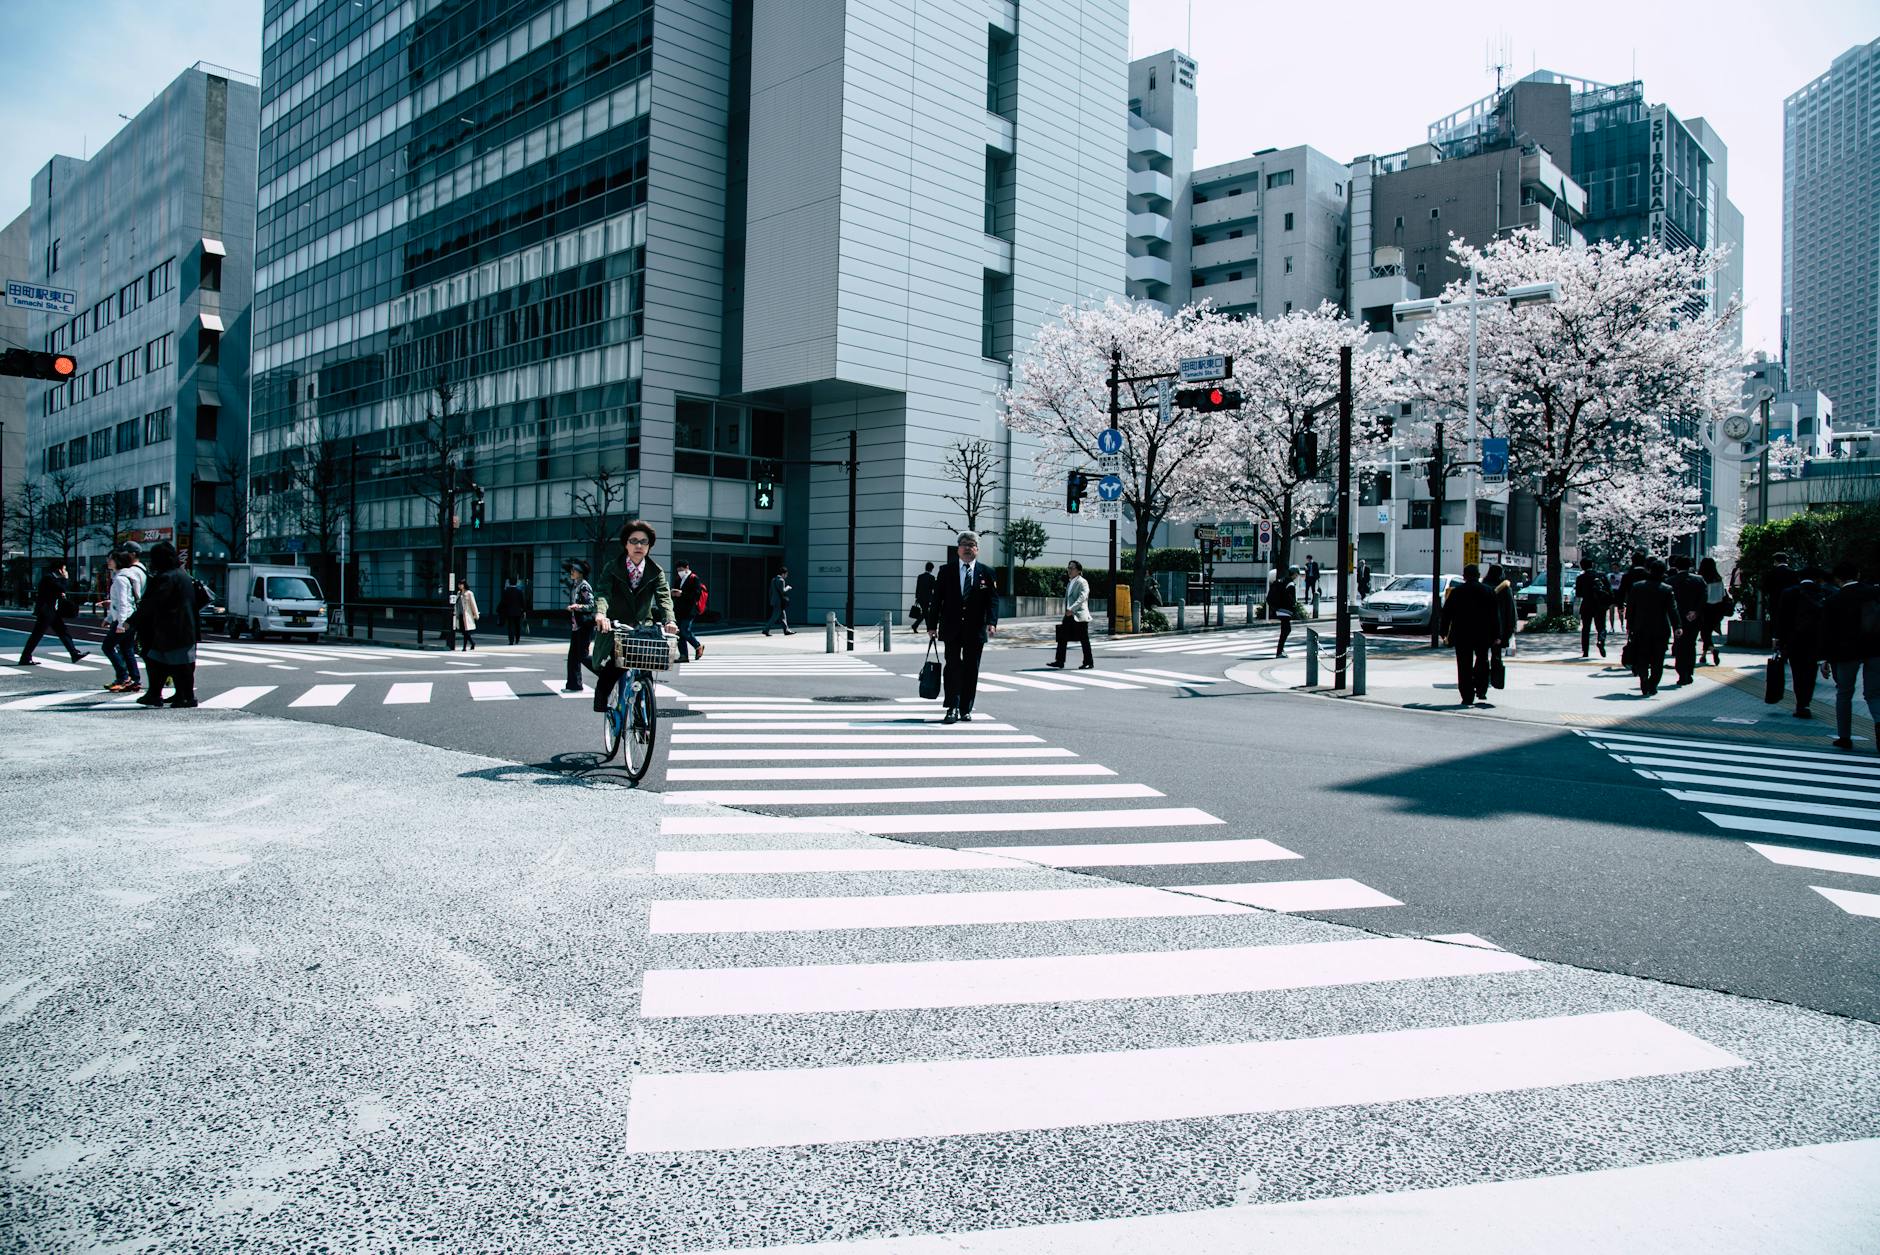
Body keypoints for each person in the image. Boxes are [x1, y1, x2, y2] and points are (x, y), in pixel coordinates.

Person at [589, 519, 678, 714]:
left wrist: (670, 620)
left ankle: (640, 717)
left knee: (646, 668)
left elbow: (664, 598)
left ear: (649, 545)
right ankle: (601, 695)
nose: (639, 545)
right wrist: (601, 615)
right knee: (615, 665)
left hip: (642, 627)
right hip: (615, 625)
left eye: (644, 542)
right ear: (625, 544)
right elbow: (602, 593)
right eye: (634, 540)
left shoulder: (656, 571)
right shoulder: (612, 567)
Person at [929, 531, 999, 723]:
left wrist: (992, 622)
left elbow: (993, 601)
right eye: (964, 544)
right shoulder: (946, 571)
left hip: (975, 629)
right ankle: (951, 707)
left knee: (971, 669)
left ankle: (965, 708)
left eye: (972, 544)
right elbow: (936, 600)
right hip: (951, 627)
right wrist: (931, 625)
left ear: (977, 549)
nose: (968, 548)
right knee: (952, 667)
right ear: (958, 549)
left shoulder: (987, 572)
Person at [126, 541, 205, 708]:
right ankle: (167, 694)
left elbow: (152, 603)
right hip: (183, 628)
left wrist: (131, 621)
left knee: (174, 664)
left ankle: (183, 697)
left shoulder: (166, 577)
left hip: (172, 630)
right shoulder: (183, 574)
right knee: (162, 662)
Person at [1820, 559, 1880, 752]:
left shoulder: (1833, 600)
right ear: (1858, 574)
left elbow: (1827, 633)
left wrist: (1825, 659)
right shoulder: (1874, 593)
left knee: (1844, 693)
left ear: (1838, 579)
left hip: (1845, 653)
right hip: (1875, 650)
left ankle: (1844, 737)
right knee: (1874, 694)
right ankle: (1879, 725)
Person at [1440, 564, 1500, 708]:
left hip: (1462, 634)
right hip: (1483, 633)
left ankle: (1467, 696)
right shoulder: (1488, 591)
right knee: (1482, 660)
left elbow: (1446, 614)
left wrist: (1443, 633)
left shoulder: (1457, 592)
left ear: (1464, 576)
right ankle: (1481, 688)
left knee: (1463, 665)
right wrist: (1497, 635)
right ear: (1478, 575)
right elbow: (1495, 616)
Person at [1776, 566, 1831, 719]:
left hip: (1794, 639)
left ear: (1800, 578)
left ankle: (1800, 704)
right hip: (1815, 639)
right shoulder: (1823, 593)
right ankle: (1806, 703)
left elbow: (1781, 618)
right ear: (1817, 578)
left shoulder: (1789, 592)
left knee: (1797, 672)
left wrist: (1778, 638)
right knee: (1810, 672)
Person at [16, 559, 89, 667]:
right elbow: (61, 588)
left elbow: (57, 591)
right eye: (64, 569)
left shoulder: (52, 578)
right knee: (37, 635)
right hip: (46, 612)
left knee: (63, 632)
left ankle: (74, 653)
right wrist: (65, 579)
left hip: (52, 611)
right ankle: (25, 658)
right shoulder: (49, 578)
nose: (65, 571)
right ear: (59, 569)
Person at [1625, 559, 1679, 697]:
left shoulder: (1637, 587)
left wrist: (1629, 625)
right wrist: (1677, 626)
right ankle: (1653, 683)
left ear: (1649, 570)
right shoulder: (1667, 589)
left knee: (1642, 655)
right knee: (1658, 659)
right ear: (1663, 572)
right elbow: (1672, 610)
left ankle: (1643, 677)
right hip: (1660, 629)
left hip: (1640, 627)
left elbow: (1630, 608)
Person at [102, 544, 148, 693]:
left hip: (125, 620)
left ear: (118, 561)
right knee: (127, 649)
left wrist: (120, 623)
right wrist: (109, 618)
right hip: (130, 618)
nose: (108, 562)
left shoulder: (121, 579)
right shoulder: (127, 576)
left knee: (107, 647)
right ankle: (135, 680)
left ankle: (123, 677)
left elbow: (122, 602)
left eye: (111, 559)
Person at [1667, 554, 1709, 685]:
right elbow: (1704, 597)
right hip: (1694, 617)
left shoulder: (1670, 581)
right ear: (1689, 565)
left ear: (1676, 566)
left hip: (1678, 618)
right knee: (1691, 643)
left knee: (1679, 644)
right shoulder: (1699, 580)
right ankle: (1689, 671)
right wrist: (1695, 611)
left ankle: (1681, 672)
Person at [1047, 560, 1094, 670]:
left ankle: (1088, 662)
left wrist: (1072, 609)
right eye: (1068, 568)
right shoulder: (1070, 582)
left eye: (1072, 568)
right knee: (1062, 637)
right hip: (1069, 615)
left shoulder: (1083, 582)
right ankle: (1059, 661)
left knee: (1084, 639)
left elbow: (1082, 597)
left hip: (1079, 615)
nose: (1069, 570)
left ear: (1078, 570)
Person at [562, 559, 596, 693]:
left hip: (584, 626)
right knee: (573, 657)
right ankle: (574, 685)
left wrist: (578, 606)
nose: (572, 571)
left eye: (574, 570)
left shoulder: (584, 586)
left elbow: (592, 605)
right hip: (577, 626)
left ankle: (606, 674)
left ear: (581, 573)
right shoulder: (576, 585)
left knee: (582, 655)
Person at [671, 559, 706, 662]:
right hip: (679, 609)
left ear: (687, 568)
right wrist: (673, 593)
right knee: (679, 633)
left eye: (681, 570)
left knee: (685, 630)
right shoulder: (678, 579)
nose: (679, 572)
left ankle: (698, 646)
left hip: (690, 610)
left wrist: (682, 594)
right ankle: (683, 655)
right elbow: (676, 592)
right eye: (678, 570)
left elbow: (696, 594)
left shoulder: (694, 578)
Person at [1574, 560, 1608, 658]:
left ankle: (1585, 651)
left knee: (1586, 629)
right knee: (1601, 627)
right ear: (1592, 565)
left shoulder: (1581, 578)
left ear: (1582, 567)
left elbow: (1578, 594)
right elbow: (1608, 589)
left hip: (1586, 604)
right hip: (1599, 605)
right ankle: (1601, 641)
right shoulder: (1601, 576)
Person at [1698, 556, 1728, 666]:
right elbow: (1723, 595)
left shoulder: (1701, 578)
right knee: (1708, 631)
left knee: (1704, 632)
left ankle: (1712, 649)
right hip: (1717, 608)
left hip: (1705, 607)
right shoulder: (1718, 579)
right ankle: (1704, 655)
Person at [1762, 552, 1800, 639]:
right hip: (1790, 602)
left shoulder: (1771, 573)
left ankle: (1776, 640)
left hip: (1775, 601)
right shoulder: (1793, 573)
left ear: (1775, 561)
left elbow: (1765, 588)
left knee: (1776, 621)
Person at [1487, 563, 1517, 661]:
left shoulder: (1483, 585)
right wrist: (1512, 626)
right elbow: (1511, 609)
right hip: (1501, 625)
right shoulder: (1504, 588)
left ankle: (1482, 672)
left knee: (1482, 653)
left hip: (1484, 624)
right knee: (1497, 653)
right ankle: (1496, 672)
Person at [1269, 567, 1299, 657]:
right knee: (1286, 630)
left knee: (1285, 630)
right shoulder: (1290, 583)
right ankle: (1279, 651)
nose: (1297, 576)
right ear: (1294, 574)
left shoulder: (1283, 580)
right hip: (1285, 610)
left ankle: (1280, 650)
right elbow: (1290, 598)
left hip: (1279, 608)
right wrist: (1293, 607)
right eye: (1297, 574)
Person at [450, 578, 479, 650]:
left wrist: (476, 614)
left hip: (467, 615)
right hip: (460, 615)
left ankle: (464, 647)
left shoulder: (469, 593)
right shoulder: (458, 593)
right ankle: (472, 643)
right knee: (464, 632)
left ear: (464, 585)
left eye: (461, 584)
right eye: (459, 584)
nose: (459, 586)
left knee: (466, 631)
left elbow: (473, 604)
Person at [497, 579, 527, 646]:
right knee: (517, 626)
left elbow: (503, 602)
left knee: (510, 626)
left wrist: (498, 609)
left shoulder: (506, 591)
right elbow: (523, 602)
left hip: (509, 611)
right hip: (518, 612)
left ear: (509, 583)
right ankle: (517, 639)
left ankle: (511, 641)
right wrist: (524, 611)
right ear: (516, 583)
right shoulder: (519, 591)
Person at [764, 567, 793, 636]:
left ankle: (786, 630)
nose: (786, 576)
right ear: (783, 574)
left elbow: (770, 591)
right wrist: (788, 587)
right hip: (779, 602)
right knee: (775, 617)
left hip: (774, 600)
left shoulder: (773, 580)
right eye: (786, 574)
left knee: (783, 616)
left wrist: (771, 599)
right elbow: (783, 591)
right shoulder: (781, 580)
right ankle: (766, 629)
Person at [910, 561, 936, 634]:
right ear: (931, 569)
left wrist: (916, 598)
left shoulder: (920, 576)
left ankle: (917, 626)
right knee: (926, 613)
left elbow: (917, 588)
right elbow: (934, 588)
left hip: (920, 598)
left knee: (925, 613)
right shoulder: (932, 577)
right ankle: (922, 627)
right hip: (928, 599)